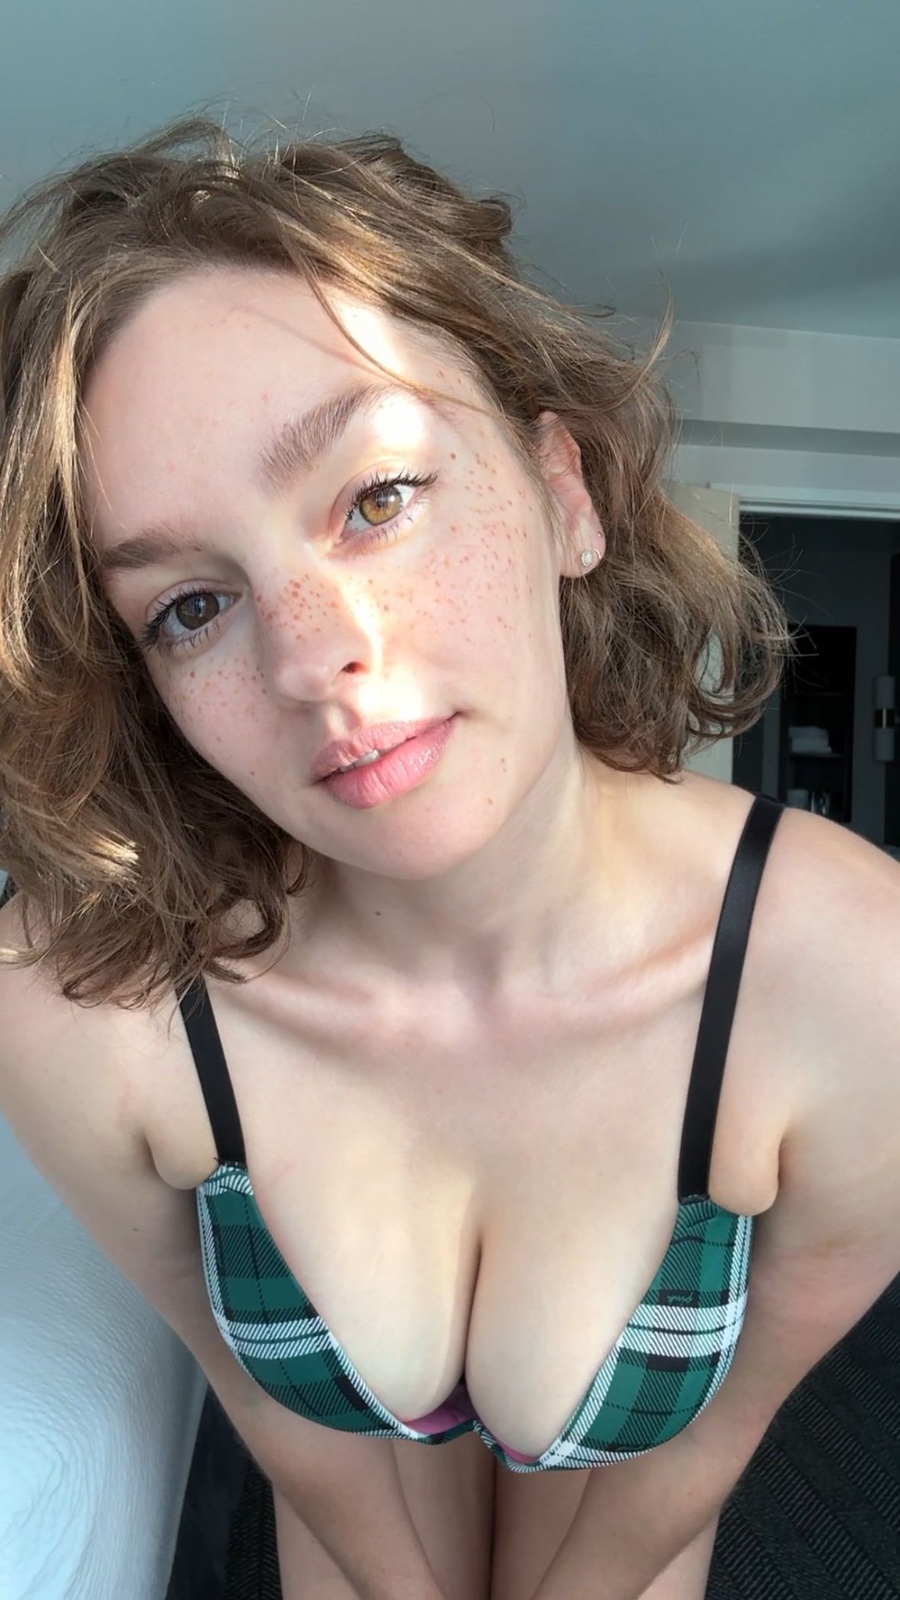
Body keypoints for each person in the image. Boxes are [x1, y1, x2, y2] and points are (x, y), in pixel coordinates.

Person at [0, 118, 898, 1600]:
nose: (314, 659)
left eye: (379, 496)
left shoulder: (860, 981)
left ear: (564, 494)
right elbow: (276, 1421)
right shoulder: (77, 1007)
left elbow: (718, 1435)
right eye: (191, 607)